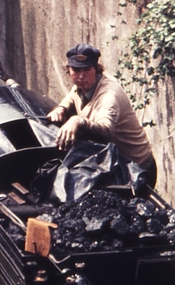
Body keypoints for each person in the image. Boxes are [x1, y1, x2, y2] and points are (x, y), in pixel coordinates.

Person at [48, 43, 157, 187]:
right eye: (76, 70)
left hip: (136, 169)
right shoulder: (83, 84)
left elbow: (106, 130)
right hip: (113, 163)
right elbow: (73, 94)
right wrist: (61, 108)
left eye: (87, 70)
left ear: (97, 70)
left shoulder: (108, 96)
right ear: (68, 70)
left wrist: (78, 121)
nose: (81, 76)